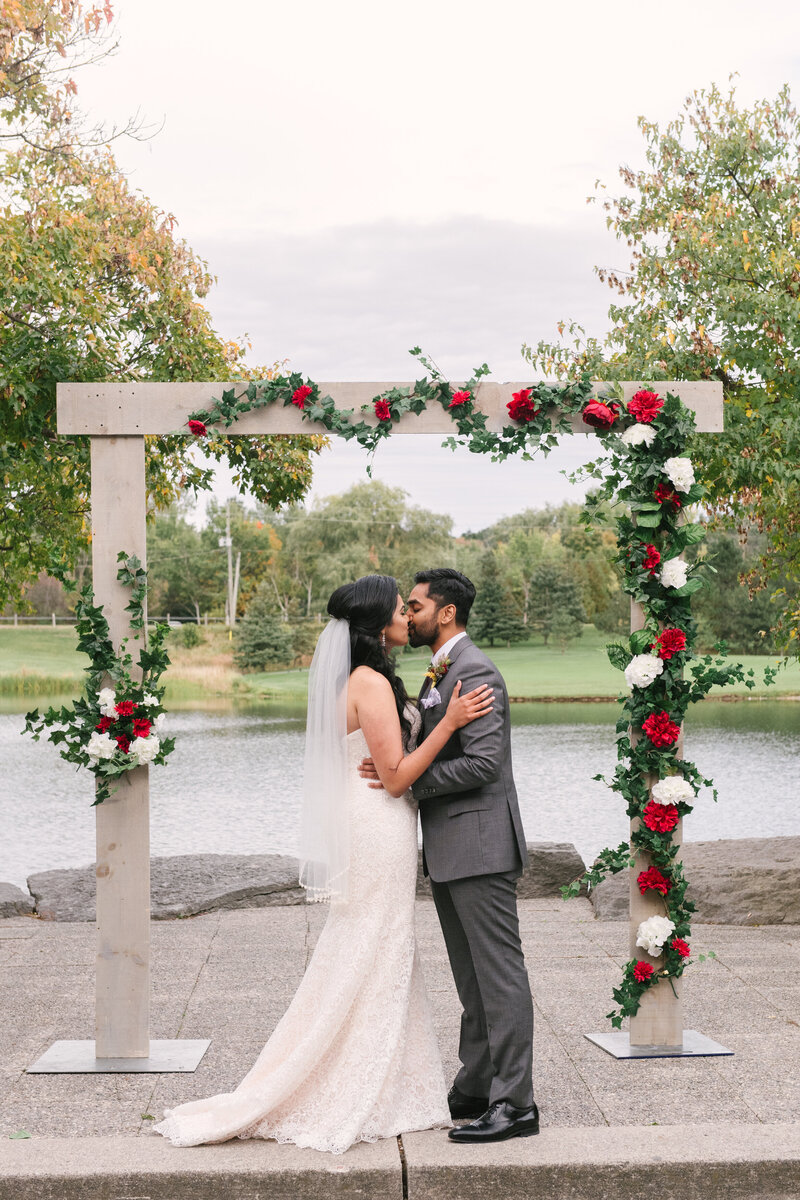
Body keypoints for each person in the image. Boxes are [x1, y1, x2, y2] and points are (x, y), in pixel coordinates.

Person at [154, 574, 494, 1154]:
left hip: (365, 820)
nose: (404, 614)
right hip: (377, 824)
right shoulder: (369, 682)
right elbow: (393, 780)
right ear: (373, 624)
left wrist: (412, 749)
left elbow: (388, 763)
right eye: (396, 608)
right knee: (377, 942)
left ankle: (390, 1081)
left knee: (373, 944)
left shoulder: (357, 678)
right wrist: (453, 726)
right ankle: (354, 1083)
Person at [359, 567, 538, 1143]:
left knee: (499, 974)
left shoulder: (476, 669)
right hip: (450, 846)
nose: (406, 615)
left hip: (480, 844)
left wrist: (411, 780)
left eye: (414, 606)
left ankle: (516, 1104)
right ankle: (477, 1083)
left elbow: (484, 763)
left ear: (446, 614)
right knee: (470, 977)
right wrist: (396, 761)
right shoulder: (441, 669)